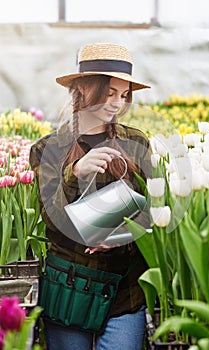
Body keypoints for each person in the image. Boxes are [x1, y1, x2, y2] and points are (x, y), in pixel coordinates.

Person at [30, 42, 152, 350]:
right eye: (110, 93)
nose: (117, 104)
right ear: (83, 89)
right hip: (72, 285)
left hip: (124, 290)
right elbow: (51, 218)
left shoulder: (136, 142)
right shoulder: (48, 150)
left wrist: (123, 234)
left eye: (124, 95)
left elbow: (153, 209)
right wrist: (76, 172)